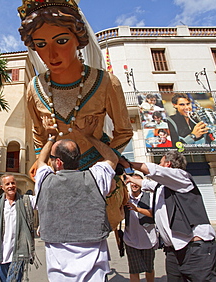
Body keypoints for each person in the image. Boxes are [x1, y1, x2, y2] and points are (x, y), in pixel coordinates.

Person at [18, 0, 132, 175]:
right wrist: (42, 163)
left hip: (96, 173)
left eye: (61, 41)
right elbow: (38, 134)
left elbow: (123, 132)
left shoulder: (106, 82)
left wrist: (105, 165)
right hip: (56, 176)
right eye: (41, 44)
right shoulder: (34, 88)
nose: (52, 54)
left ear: (78, 38)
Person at [34, 115, 119, 281]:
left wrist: (51, 137)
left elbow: (40, 162)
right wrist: (88, 136)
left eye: (52, 159)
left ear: (58, 163)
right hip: (95, 272)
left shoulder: (45, 180)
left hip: (59, 274)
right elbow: (112, 158)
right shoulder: (96, 177)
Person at [119, 151, 216, 281]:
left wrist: (128, 163)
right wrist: (130, 178)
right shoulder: (162, 187)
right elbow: (147, 184)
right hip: (173, 251)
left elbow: (155, 171)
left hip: (195, 249)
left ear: (168, 164)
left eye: (160, 163)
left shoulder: (182, 177)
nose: (158, 165)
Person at [123, 174, 157, 282]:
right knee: (134, 270)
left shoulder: (150, 196)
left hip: (148, 240)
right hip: (131, 240)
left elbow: (154, 214)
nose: (134, 184)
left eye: (137, 182)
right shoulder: (125, 198)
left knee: (149, 269)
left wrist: (137, 209)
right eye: (132, 182)